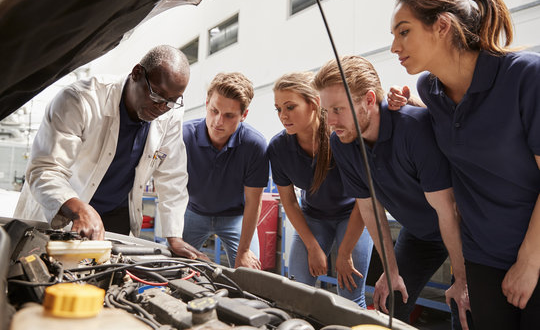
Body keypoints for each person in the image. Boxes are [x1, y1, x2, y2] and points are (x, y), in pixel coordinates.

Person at [388, 0, 540, 329]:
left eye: (404, 31)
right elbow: (459, 126)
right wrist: (408, 104)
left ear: (442, 26)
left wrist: (529, 263)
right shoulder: (430, 90)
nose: (394, 45)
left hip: (534, 252)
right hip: (482, 256)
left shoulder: (525, 75)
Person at [313, 55, 471, 329]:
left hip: (465, 227)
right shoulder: (342, 142)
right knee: (391, 299)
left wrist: (462, 279)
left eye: (338, 109)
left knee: (466, 307)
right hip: (420, 233)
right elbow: (370, 208)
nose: (331, 122)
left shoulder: (414, 127)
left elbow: (448, 209)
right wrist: (391, 269)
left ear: (370, 100)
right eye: (327, 112)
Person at [14, 45, 207, 260]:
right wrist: (78, 208)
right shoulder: (80, 100)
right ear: (136, 73)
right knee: (46, 275)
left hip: (116, 214)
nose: (162, 107)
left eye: (171, 101)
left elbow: (173, 177)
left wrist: (174, 237)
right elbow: (45, 169)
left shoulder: (170, 114)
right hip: (64, 208)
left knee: (109, 282)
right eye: (157, 95)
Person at [268, 72, 373, 306]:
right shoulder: (278, 147)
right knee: (297, 291)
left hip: (353, 215)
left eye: (290, 107)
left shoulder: (342, 137)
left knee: (350, 295)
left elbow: (364, 201)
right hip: (313, 217)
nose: (283, 116)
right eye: (278, 109)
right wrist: (312, 246)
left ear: (314, 104)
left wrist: (344, 254)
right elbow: (289, 202)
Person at [182, 72, 268, 269]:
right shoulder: (184, 136)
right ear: (206, 104)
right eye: (214, 111)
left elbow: (254, 202)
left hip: (235, 217)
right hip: (193, 212)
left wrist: (244, 251)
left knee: (250, 273)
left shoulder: (255, 145)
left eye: (229, 115)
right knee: (172, 265)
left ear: (243, 115)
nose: (218, 121)